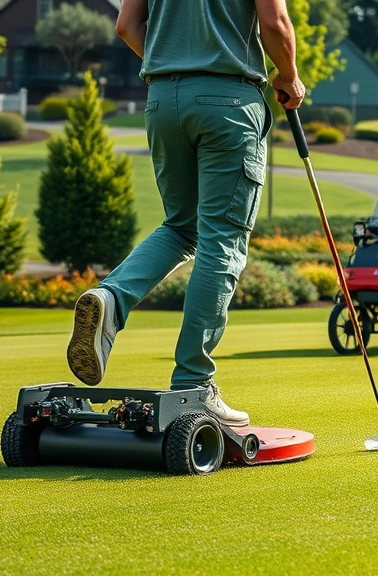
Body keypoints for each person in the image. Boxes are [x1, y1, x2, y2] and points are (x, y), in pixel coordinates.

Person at [64, 0, 306, 427]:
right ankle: (193, 384)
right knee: (221, 242)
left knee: (181, 227)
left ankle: (110, 297)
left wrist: (172, 60)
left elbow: (126, 25)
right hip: (228, 102)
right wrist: (289, 77)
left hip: (163, 101)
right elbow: (274, 21)